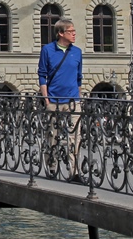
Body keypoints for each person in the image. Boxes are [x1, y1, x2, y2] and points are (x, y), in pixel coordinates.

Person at [37, 18, 83, 178]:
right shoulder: (47, 50)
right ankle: (52, 167)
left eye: (74, 31)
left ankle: (74, 171)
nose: (74, 34)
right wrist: (46, 98)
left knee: (75, 137)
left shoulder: (77, 52)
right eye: (71, 31)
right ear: (61, 33)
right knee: (52, 136)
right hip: (54, 100)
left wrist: (79, 97)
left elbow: (79, 77)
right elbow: (42, 74)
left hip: (73, 101)